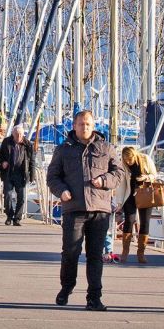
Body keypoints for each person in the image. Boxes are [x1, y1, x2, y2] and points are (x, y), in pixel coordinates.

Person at [46, 110, 125, 312]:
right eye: (81, 124)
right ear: (74, 126)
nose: (85, 127)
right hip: (74, 209)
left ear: (93, 125)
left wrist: (104, 181)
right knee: (70, 253)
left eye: (88, 124)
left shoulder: (106, 148)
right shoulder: (63, 150)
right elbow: (52, 177)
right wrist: (61, 190)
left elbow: (118, 173)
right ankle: (66, 287)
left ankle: (94, 297)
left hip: (99, 210)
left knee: (95, 255)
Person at [118, 145, 158, 264]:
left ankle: (141, 252)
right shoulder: (123, 165)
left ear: (135, 155)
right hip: (130, 195)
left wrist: (145, 177)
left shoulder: (145, 159)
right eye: (126, 160)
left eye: (130, 159)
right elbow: (122, 184)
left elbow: (154, 175)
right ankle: (125, 251)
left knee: (145, 222)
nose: (129, 162)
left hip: (145, 193)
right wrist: (119, 202)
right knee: (129, 220)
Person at [0, 125, 34, 226]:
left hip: (21, 174)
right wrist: (3, 162)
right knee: (8, 195)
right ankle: (9, 216)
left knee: (21, 197)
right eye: (17, 134)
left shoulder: (28, 144)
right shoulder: (6, 142)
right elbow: (0, 154)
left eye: (20, 134)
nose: (18, 136)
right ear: (13, 134)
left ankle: (17, 218)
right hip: (8, 173)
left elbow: (32, 160)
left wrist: (32, 175)